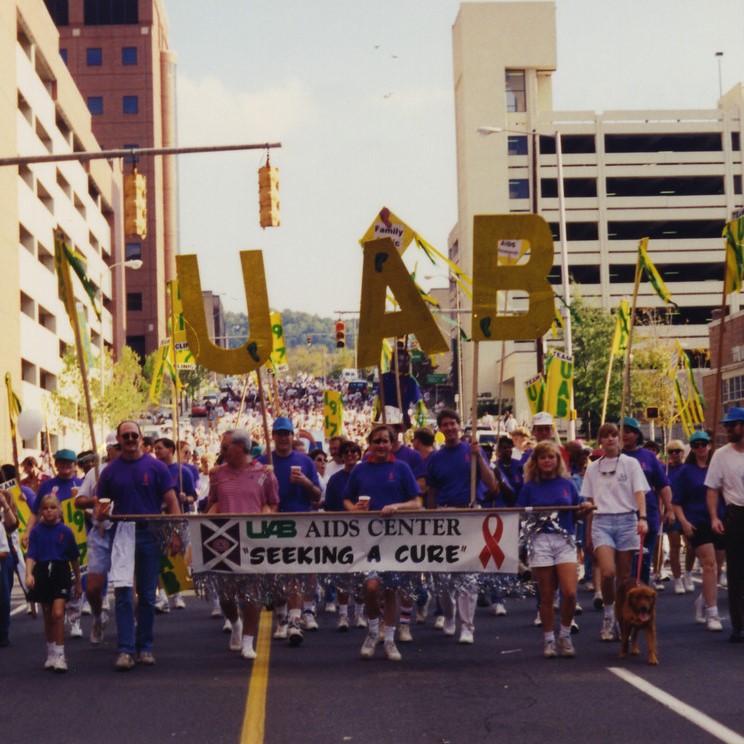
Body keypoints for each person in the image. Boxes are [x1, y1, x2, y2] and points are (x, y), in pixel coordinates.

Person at [96, 420, 180, 671]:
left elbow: (172, 501)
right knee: (122, 593)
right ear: (119, 440)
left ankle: (145, 647)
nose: (130, 439)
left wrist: (175, 533)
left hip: (149, 533)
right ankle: (125, 650)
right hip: (122, 534)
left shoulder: (156, 468)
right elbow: (101, 508)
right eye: (126, 436)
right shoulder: (109, 472)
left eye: (134, 435)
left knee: (146, 593)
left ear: (141, 438)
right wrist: (100, 513)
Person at [344, 423, 422, 661]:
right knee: (371, 588)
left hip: (395, 538)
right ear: (370, 444)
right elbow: (346, 500)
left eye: (385, 441)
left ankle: (389, 640)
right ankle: (372, 631)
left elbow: (416, 502)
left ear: (392, 444)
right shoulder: (359, 470)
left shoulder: (401, 468)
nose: (380, 445)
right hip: (367, 539)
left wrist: (396, 506)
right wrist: (355, 510)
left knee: (390, 590)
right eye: (376, 441)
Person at [427, 408, 497, 644]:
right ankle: (449, 614)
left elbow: (492, 484)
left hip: (469, 512)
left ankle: (468, 626)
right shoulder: (435, 458)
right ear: (440, 429)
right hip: (444, 514)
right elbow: (432, 491)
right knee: (442, 576)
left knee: (468, 574)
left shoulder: (473, 451)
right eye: (444, 425)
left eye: (452, 423)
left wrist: (480, 458)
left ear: (459, 426)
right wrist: (430, 516)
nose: (449, 428)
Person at [207, 429, 278, 661]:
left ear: (240, 448)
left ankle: (248, 640)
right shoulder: (217, 474)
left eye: (225, 447)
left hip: (253, 541)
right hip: (223, 542)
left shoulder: (265, 473)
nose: (222, 451)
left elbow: (272, 504)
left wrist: (264, 523)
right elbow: (213, 503)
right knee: (225, 595)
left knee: (253, 593)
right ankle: (235, 623)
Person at [517, 442, 588, 658]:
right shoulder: (529, 487)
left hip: (565, 539)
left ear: (558, 460)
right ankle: (549, 639)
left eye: (551, 457)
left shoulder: (567, 484)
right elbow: (520, 514)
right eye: (543, 457)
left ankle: (564, 634)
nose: (548, 461)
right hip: (540, 541)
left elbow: (576, 512)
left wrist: (583, 510)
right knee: (546, 595)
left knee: (570, 592)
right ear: (536, 461)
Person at [581, 422, 649, 642]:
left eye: (613, 435)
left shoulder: (631, 464)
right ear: (600, 440)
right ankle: (608, 614)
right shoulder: (592, 468)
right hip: (602, 521)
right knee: (608, 572)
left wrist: (642, 517)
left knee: (624, 577)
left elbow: (639, 492)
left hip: (627, 520)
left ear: (619, 439)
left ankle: (622, 618)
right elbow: (590, 502)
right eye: (605, 435)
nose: (610, 439)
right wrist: (589, 532)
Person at [258, 416, 322, 645]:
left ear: (292, 436)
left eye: (287, 434)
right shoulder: (262, 461)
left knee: (295, 571)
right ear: (272, 436)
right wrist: (263, 478)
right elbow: (254, 494)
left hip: (299, 521)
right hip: (273, 523)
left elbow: (317, 495)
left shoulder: (305, 462)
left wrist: (305, 482)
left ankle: (295, 621)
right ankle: (282, 616)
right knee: (275, 574)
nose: (283, 438)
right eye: (279, 433)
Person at [23, 448, 83, 638]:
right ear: (56, 465)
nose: (65, 467)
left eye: (69, 464)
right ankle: (59, 622)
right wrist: (28, 530)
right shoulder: (47, 486)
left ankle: (75, 620)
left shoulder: (81, 484)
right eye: (61, 463)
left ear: (74, 465)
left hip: (76, 537)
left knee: (76, 581)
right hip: (51, 538)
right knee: (54, 585)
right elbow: (35, 511)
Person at [672, 431, 724, 632]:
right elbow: (676, 501)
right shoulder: (685, 471)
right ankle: (713, 612)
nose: (701, 448)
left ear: (710, 445)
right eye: (696, 445)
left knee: (718, 566)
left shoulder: (717, 468)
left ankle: (703, 599)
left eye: (704, 444)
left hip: (718, 520)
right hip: (695, 521)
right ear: (691, 449)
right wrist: (683, 522)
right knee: (709, 564)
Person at [25, 493, 82, 672]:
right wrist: (29, 574)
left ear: (59, 510)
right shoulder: (36, 532)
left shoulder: (66, 531)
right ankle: (50, 652)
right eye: (45, 508)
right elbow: (31, 555)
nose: (49, 511)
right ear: (41, 511)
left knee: (58, 613)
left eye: (52, 507)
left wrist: (79, 582)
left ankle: (60, 654)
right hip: (42, 572)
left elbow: (74, 559)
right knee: (48, 613)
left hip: (60, 571)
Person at [73, 433, 118, 644]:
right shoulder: (96, 472)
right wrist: (93, 500)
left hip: (126, 530)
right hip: (100, 530)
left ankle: (133, 631)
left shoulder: (134, 469)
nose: (116, 450)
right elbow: (78, 501)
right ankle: (99, 617)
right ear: (107, 449)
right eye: (113, 446)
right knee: (92, 588)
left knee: (129, 588)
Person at [620, 417, 673, 588]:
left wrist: (669, 509)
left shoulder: (648, 457)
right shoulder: (615, 456)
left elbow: (663, 485)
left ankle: (641, 589)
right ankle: (625, 593)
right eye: (621, 430)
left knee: (644, 555)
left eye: (627, 431)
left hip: (648, 513)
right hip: (622, 514)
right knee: (625, 559)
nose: (623, 434)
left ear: (636, 434)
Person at [706, 407, 744, 643]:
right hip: (735, 513)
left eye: (733, 425)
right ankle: (739, 625)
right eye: (726, 426)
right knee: (737, 571)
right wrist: (714, 517)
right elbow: (712, 489)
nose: (728, 430)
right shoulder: (721, 455)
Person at [324, 440, 364, 630]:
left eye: (353, 451)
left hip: (363, 530)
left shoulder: (366, 475)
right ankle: (342, 615)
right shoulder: (335, 479)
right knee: (342, 574)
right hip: (341, 531)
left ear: (359, 454)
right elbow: (330, 507)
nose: (350, 455)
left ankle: (358, 613)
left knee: (361, 573)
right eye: (346, 452)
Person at [665, 439, 693, 594]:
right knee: (675, 546)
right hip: (671, 511)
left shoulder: (688, 469)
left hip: (688, 511)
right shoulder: (665, 470)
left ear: (683, 453)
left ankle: (688, 573)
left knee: (692, 545)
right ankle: (678, 580)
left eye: (678, 451)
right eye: (671, 451)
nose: (675, 454)